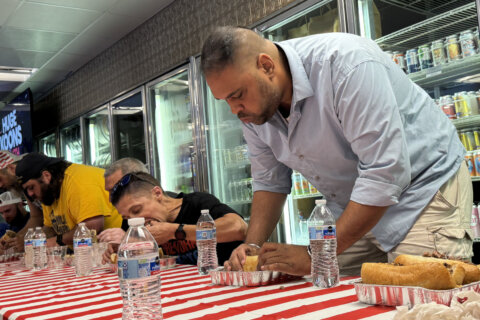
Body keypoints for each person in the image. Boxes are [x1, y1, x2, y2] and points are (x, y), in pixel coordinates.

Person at [200, 27, 472, 275]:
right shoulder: (254, 110)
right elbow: (269, 181)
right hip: (351, 205)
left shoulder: (346, 63)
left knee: (429, 300)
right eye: (225, 100)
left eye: (236, 95)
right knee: (326, 291)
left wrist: (313, 254)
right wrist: (253, 245)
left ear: (266, 66)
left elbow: (383, 173)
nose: (234, 110)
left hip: (422, 192)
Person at [101, 171, 247, 265]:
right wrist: (121, 251)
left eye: (137, 210)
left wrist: (176, 231)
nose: (134, 219)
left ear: (157, 193)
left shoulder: (197, 203)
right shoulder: (133, 225)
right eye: (126, 217)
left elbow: (239, 228)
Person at [15, 152, 123, 247]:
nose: (30, 194)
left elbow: (92, 228)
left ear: (46, 176)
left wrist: (58, 240)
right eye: (26, 190)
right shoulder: (48, 191)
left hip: (114, 246)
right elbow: (50, 228)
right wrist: (32, 241)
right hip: (85, 252)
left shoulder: (78, 182)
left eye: (31, 187)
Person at [0, 151, 43, 251]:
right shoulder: (23, 187)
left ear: (10, 168)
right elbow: (37, 217)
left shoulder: (35, 178)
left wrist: (27, 239)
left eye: (0, 179)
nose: (0, 186)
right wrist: (16, 238)